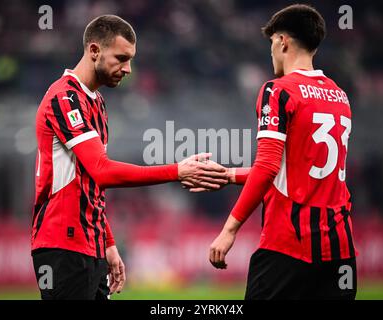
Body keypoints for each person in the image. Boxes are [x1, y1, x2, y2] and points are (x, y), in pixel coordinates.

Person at [32, 15, 228, 300]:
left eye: (131, 59)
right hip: (62, 245)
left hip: (90, 244)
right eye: (121, 58)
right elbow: (103, 172)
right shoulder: (64, 98)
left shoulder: (95, 103)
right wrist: (177, 171)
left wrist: (108, 243)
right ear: (94, 50)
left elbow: (90, 185)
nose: (128, 69)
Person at [206, 4, 358, 300]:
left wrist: (230, 229)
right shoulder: (340, 95)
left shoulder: (278, 91)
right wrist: (229, 175)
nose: (271, 51)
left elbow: (267, 167)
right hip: (340, 250)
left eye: (271, 43)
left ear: (282, 41)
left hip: (289, 246)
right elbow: (297, 173)